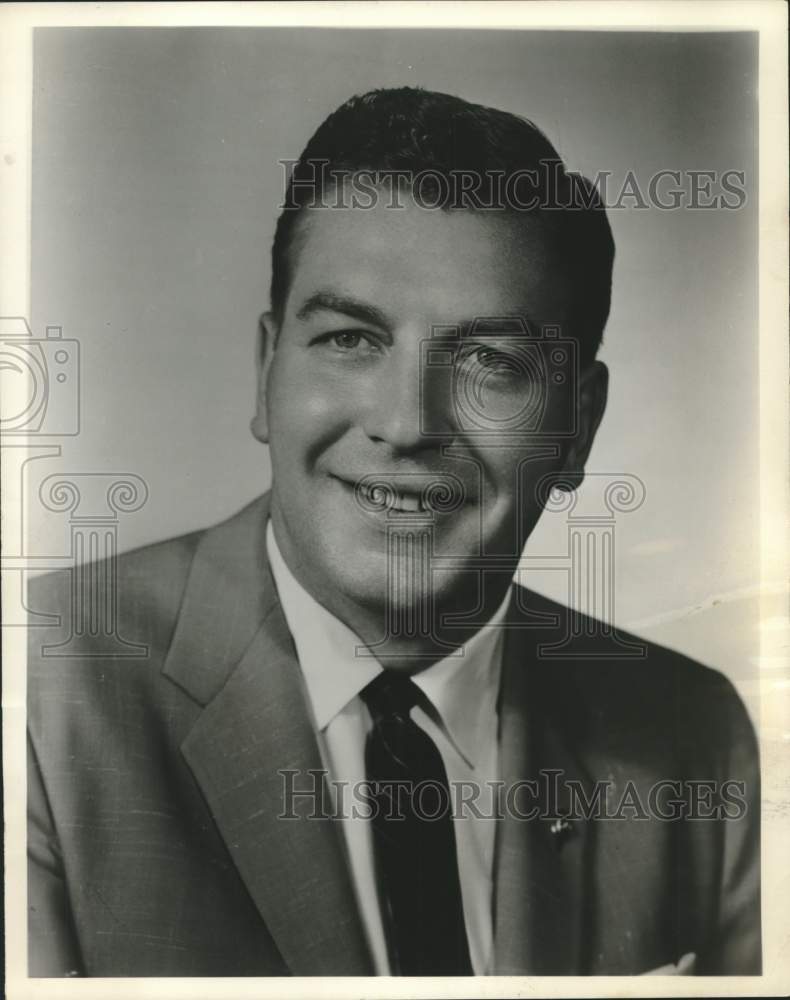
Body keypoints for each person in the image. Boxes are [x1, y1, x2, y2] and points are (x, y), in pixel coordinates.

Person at [27, 87, 760, 977]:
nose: (408, 423)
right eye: (350, 339)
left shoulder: (692, 737)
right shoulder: (42, 694)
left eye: (490, 361)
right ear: (266, 373)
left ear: (577, 427)